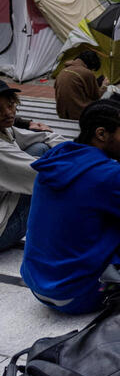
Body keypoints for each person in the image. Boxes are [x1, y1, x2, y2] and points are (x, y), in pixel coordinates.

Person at [21, 100, 120, 314]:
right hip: (76, 294)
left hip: (38, 284)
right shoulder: (108, 176)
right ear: (101, 134)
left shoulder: (57, 158)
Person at [0, 82, 63, 252]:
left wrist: (81, 154)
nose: (8, 113)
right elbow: (46, 175)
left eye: (10, 105)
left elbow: (45, 137)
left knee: (41, 148)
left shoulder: (6, 130)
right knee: (53, 185)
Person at [54, 50, 105, 121]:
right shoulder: (86, 73)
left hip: (62, 113)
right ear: (91, 64)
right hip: (79, 113)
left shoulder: (63, 70)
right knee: (109, 98)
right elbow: (96, 97)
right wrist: (104, 86)